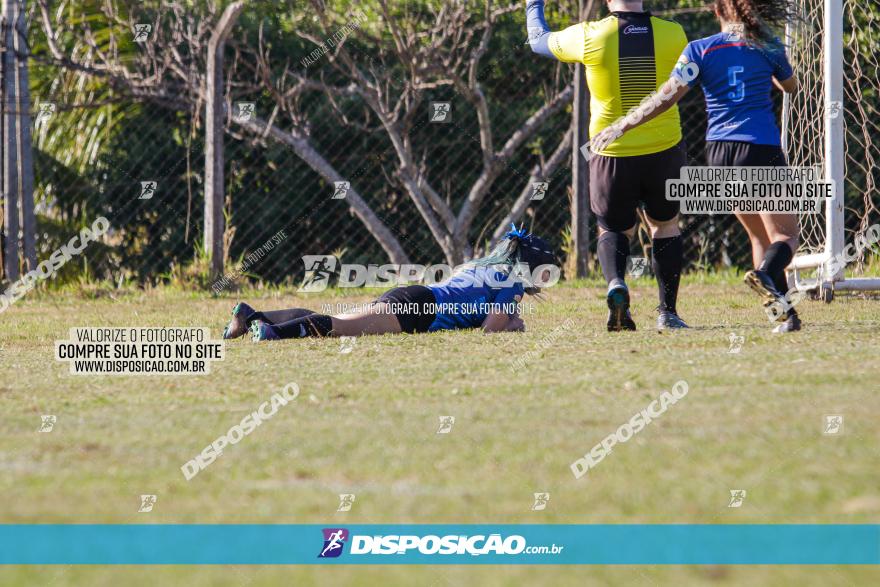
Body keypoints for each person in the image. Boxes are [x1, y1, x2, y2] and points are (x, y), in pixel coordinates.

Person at [591, 0, 801, 333]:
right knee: (786, 236)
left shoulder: (699, 50)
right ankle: (763, 277)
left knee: (758, 234)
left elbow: (665, 97)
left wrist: (622, 125)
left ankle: (784, 315)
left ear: (717, 11)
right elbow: (790, 86)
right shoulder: (768, 46)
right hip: (759, 148)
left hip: (719, 153)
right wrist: (770, 68)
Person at [526, 0, 690, 332]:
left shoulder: (590, 36)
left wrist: (534, 4)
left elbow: (537, 39)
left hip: (611, 152)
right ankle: (667, 313)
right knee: (666, 226)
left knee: (614, 230)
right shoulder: (675, 34)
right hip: (665, 149)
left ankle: (617, 282)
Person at [221, 228, 558, 341]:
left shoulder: (480, 265)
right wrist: (515, 325)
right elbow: (490, 329)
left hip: (415, 295)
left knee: (337, 320)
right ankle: (272, 333)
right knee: (339, 327)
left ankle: (252, 315)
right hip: (420, 310)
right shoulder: (511, 283)